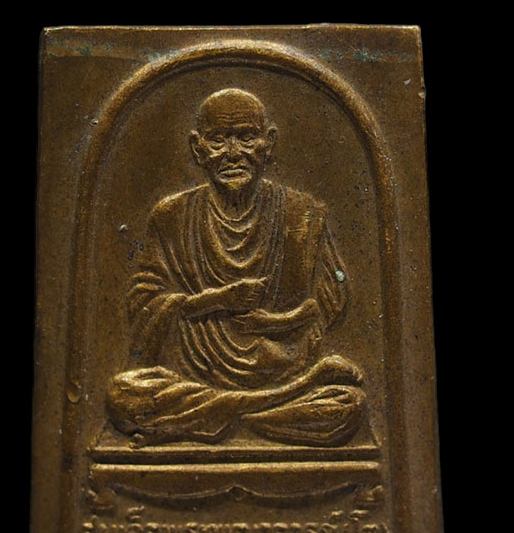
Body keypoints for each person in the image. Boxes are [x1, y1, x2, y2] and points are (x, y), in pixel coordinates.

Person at [106, 88, 366, 446]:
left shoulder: (302, 214)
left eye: (246, 138)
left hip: (282, 371)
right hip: (194, 378)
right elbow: (144, 303)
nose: (232, 153)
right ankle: (258, 414)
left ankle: (209, 421)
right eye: (218, 140)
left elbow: (326, 305)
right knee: (123, 395)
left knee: (349, 406)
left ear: (268, 143)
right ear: (198, 148)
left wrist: (274, 323)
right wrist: (217, 300)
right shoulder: (171, 216)